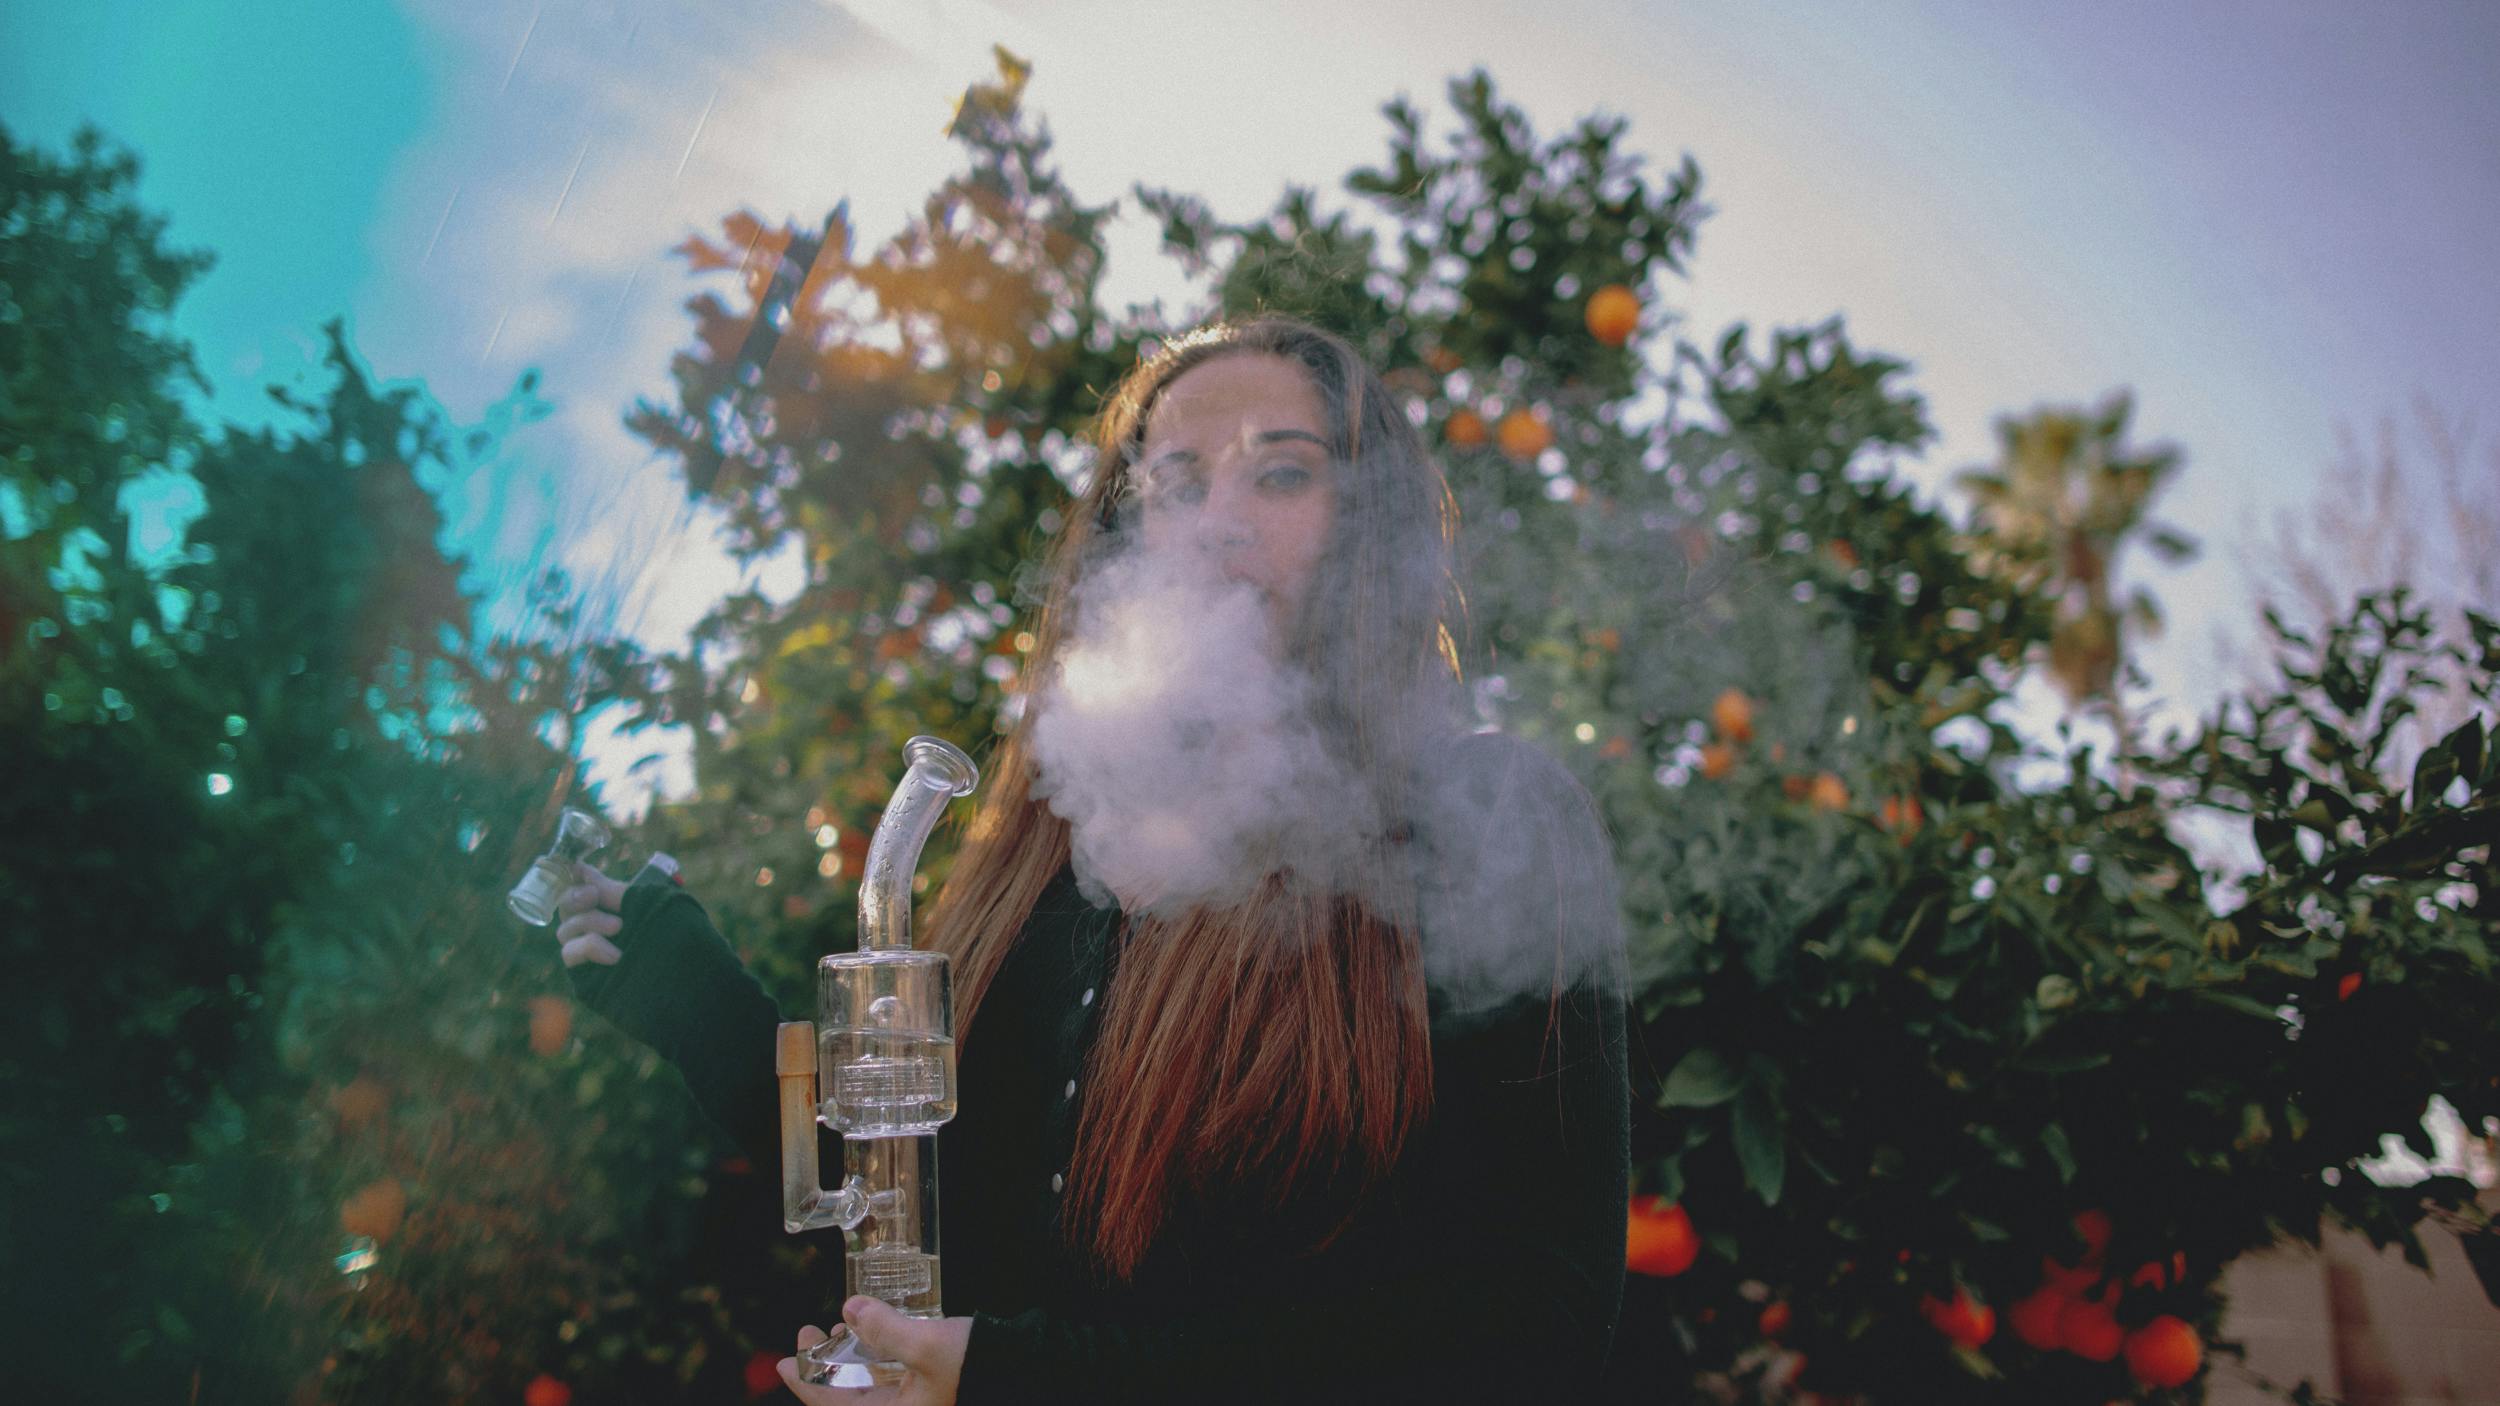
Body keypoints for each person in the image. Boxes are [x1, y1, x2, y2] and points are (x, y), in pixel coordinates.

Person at [554, 316, 1629, 1404]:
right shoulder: (1061, 846)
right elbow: (908, 1193)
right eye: (1176, 482)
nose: (1219, 523)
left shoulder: (1482, 814)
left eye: (1282, 474)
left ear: (1371, 527)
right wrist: (676, 983)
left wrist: (1019, 1375)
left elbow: (1532, 1321)